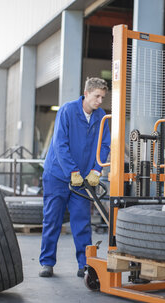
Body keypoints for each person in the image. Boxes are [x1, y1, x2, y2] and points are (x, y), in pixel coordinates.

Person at [39, 77, 110, 278]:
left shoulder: (101, 116)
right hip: (58, 176)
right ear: (86, 94)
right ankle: (47, 262)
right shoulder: (67, 111)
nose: (99, 101)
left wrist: (97, 170)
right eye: (96, 96)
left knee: (82, 221)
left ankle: (84, 264)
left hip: (84, 179)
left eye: (102, 97)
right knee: (53, 220)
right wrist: (72, 171)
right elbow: (60, 144)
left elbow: (104, 145)